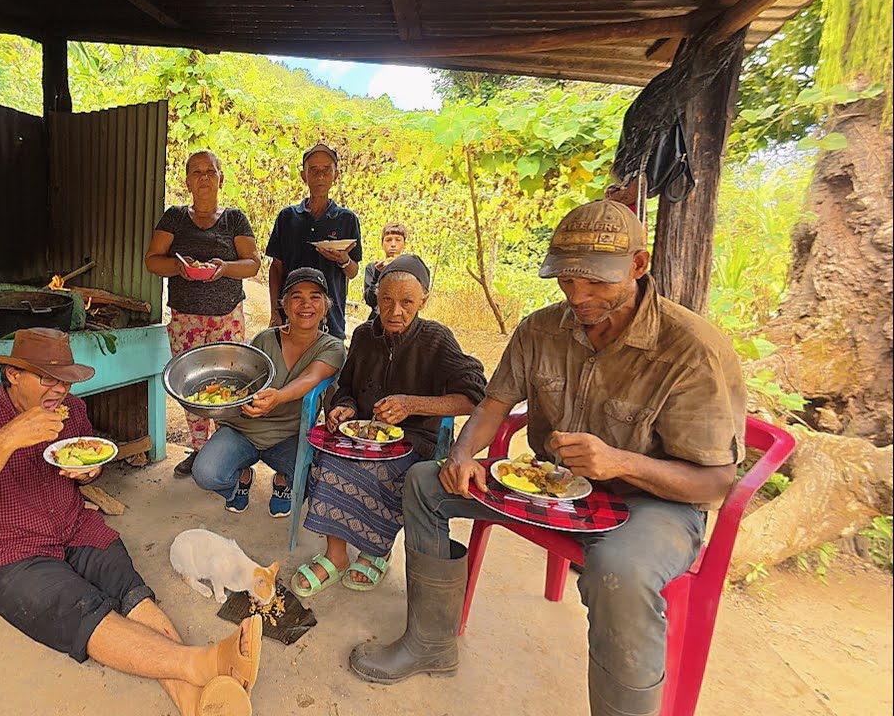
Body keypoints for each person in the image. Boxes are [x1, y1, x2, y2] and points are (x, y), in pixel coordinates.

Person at [348, 201, 748, 716]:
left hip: (654, 501)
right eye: (566, 281)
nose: (577, 297)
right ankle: (431, 643)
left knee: (618, 573)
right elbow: (493, 404)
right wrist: (465, 453)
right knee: (426, 484)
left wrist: (623, 464)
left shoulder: (693, 349)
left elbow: (715, 483)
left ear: (639, 264)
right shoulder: (541, 329)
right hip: (543, 485)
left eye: (595, 284)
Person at [0, 328, 263, 716]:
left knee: (131, 592)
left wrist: (89, 473)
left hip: (75, 528)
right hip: (9, 555)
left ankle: (190, 700)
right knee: (83, 611)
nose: (59, 390)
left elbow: (88, 457)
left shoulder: (72, 411)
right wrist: (8, 438)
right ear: (13, 374)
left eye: (65, 380)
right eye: (46, 378)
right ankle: (205, 663)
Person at [291, 255, 486, 597]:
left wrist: (413, 404)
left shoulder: (436, 339)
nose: (395, 311)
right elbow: (346, 387)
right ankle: (335, 556)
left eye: (407, 302)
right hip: (363, 435)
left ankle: (374, 551)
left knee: (381, 473)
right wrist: (344, 409)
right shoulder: (365, 335)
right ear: (376, 298)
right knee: (329, 461)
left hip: (414, 440)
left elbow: (474, 394)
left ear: (423, 301)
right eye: (386, 301)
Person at [191, 267, 345, 517]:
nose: (306, 304)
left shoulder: (333, 347)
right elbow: (243, 382)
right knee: (206, 473)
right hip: (244, 431)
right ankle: (239, 477)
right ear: (284, 305)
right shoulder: (264, 340)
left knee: (317, 483)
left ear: (326, 307)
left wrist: (279, 397)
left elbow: (312, 376)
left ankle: (283, 480)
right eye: (297, 296)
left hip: (290, 436)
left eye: (315, 296)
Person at [145, 150, 261, 480]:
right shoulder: (175, 217)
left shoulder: (235, 218)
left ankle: (228, 453)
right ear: (187, 181)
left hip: (227, 317)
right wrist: (181, 269)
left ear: (221, 178)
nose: (204, 178)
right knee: (190, 386)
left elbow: (252, 263)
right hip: (186, 319)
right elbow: (153, 260)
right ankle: (199, 450)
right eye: (197, 172)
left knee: (229, 385)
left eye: (210, 171)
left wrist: (223, 269)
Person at [266, 143, 362, 339]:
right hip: (290, 316)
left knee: (328, 367)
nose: (320, 177)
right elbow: (276, 268)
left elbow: (352, 271)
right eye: (314, 170)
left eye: (326, 170)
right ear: (304, 176)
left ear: (335, 176)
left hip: (330, 320)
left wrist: (342, 259)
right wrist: (275, 311)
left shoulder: (347, 219)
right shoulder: (287, 217)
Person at [361, 222, 408, 321]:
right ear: (382, 244)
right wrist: (378, 274)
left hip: (404, 319)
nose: (393, 244)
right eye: (388, 240)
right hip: (377, 319)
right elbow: (370, 301)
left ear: (405, 244)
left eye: (398, 240)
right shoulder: (372, 268)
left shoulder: (410, 268)